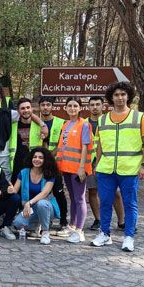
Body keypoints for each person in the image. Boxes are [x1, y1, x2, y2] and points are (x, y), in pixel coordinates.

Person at [91, 82, 144, 252]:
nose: (120, 98)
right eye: (116, 95)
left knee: (130, 203)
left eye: (123, 94)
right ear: (111, 98)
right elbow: (100, 144)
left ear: (128, 96)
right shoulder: (102, 119)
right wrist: (97, 163)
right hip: (106, 169)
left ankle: (129, 237)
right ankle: (104, 234)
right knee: (105, 202)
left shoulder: (138, 117)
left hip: (130, 169)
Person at [0, 89, 47, 180]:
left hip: (4, 157)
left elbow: (28, 114)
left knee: (6, 185)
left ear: (0, 100)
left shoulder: (8, 113)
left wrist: (43, 125)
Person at [55, 97, 93, 243]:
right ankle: (72, 225)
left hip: (78, 169)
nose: (72, 108)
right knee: (72, 197)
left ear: (80, 108)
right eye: (69, 106)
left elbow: (85, 146)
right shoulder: (66, 124)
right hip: (66, 167)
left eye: (75, 106)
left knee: (80, 198)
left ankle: (79, 230)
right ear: (65, 108)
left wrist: (82, 168)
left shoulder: (84, 125)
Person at [86, 96, 125, 230]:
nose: (95, 107)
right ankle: (98, 220)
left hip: (108, 161)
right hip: (90, 163)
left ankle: (121, 221)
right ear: (88, 107)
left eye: (98, 104)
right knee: (92, 191)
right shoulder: (85, 123)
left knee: (115, 192)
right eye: (92, 105)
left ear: (103, 106)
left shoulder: (110, 121)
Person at [10, 147, 61, 245]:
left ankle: (45, 232)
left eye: (41, 158)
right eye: (35, 157)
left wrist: (29, 203)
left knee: (41, 204)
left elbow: (45, 193)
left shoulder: (49, 174)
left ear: (45, 160)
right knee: (17, 223)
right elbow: (14, 191)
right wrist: (7, 190)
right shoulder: (24, 172)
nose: (37, 159)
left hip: (46, 206)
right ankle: (36, 226)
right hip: (31, 208)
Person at [39, 95, 70, 231]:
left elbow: (63, 143)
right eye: (43, 105)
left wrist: (49, 156)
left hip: (55, 164)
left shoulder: (61, 122)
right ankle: (41, 220)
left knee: (58, 193)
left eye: (48, 105)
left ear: (52, 106)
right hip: (38, 164)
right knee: (39, 192)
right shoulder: (37, 122)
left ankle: (63, 220)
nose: (45, 107)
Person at [11, 98, 44, 184]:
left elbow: (45, 146)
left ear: (31, 109)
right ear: (18, 111)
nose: (26, 110)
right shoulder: (12, 126)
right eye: (22, 108)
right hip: (16, 164)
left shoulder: (39, 126)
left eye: (28, 107)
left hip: (34, 164)